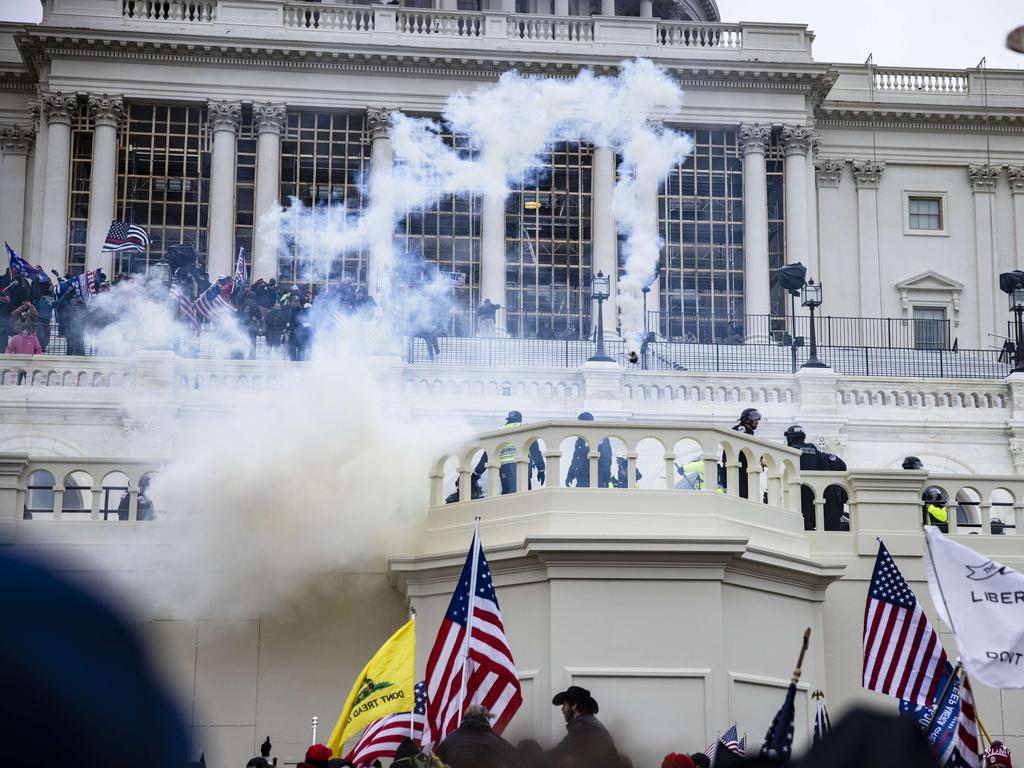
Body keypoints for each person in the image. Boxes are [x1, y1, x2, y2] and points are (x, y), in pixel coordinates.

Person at [548, 685, 617, 768]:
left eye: (564, 705)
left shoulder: (584, 727)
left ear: (574, 705)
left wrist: (532, 760)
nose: (562, 709)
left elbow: (559, 752)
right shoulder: (588, 722)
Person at [436, 704, 517, 768]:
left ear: (465, 718)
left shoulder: (449, 741)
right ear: (486, 719)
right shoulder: (497, 742)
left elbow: (436, 762)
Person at [497, 410, 545, 494]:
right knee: (524, 493)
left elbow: (487, 455)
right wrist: (541, 470)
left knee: (507, 494)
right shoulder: (526, 429)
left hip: (505, 468)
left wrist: (477, 474)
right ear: (520, 420)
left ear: (508, 420)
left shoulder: (499, 430)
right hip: (523, 466)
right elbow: (535, 452)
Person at [719, 408, 762, 499]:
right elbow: (749, 446)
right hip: (737, 471)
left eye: (757, 419)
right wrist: (760, 458)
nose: (757, 421)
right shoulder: (741, 429)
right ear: (746, 419)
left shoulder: (748, 432)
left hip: (742, 471)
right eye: (754, 418)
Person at [565, 412, 612, 488]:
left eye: (580, 423)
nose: (578, 426)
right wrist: (570, 475)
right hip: (581, 479)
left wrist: (605, 480)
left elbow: (606, 461)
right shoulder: (580, 439)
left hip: (595, 480)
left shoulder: (601, 438)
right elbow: (576, 459)